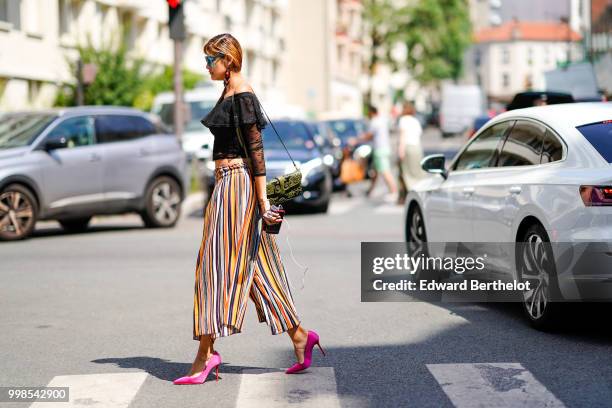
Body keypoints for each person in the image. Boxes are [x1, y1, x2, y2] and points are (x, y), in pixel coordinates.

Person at [173, 33, 325, 385]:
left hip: (238, 189)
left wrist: (261, 202)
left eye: (211, 59)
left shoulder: (241, 94)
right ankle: (301, 337)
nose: (206, 65)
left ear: (229, 60)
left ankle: (205, 354)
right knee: (256, 267)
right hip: (228, 187)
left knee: (214, 266)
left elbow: (257, 156)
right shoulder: (228, 90)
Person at [349, 105, 398, 202]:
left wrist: (356, 140)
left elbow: (369, 136)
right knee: (375, 172)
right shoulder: (382, 120)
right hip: (383, 148)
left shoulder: (375, 122)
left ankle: (394, 191)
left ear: (372, 112)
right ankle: (370, 191)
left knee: (385, 171)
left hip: (380, 150)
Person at [396, 101, 425, 204]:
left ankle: (410, 196)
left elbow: (403, 137)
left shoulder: (403, 120)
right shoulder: (415, 121)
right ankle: (419, 192)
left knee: (406, 173)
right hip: (417, 148)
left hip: (407, 148)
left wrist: (400, 151)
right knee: (417, 172)